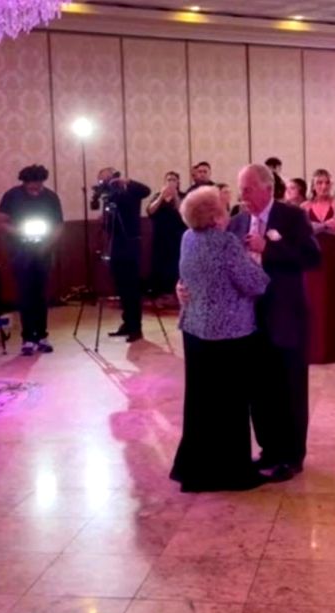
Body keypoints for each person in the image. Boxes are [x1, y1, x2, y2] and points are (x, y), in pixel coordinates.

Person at [183, 163, 320, 482]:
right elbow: (220, 265)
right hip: (245, 322)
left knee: (289, 387)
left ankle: (291, 456)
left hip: (285, 315)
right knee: (259, 389)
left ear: (267, 189)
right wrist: (186, 285)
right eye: (240, 189)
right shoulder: (238, 220)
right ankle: (269, 449)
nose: (241, 195)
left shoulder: (292, 216)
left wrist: (269, 248)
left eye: (247, 189)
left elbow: (313, 259)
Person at [170, 186, 270, 493]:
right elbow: (256, 284)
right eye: (225, 209)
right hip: (228, 334)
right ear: (214, 216)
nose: (229, 214)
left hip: (195, 329)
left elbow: (186, 278)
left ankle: (196, 468)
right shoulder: (225, 242)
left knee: (200, 402)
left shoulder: (188, 238)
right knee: (230, 405)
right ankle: (230, 471)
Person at [0, 164, 63, 355]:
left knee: (41, 295)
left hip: (43, 251)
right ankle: (28, 338)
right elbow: (0, 222)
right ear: (24, 183)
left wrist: (48, 243)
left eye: (39, 187)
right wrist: (20, 232)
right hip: (20, 252)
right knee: (25, 295)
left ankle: (42, 336)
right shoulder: (12, 196)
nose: (35, 191)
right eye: (31, 188)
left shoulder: (50, 197)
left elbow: (58, 225)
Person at [97, 167, 151, 341]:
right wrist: (103, 220)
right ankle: (127, 323)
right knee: (121, 287)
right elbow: (108, 227)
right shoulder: (109, 198)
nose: (106, 183)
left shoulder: (131, 193)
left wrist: (128, 182)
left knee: (132, 287)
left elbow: (146, 190)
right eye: (102, 180)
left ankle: (136, 327)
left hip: (131, 243)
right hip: (115, 245)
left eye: (108, 179)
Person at [301, 169, 335, 364]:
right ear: (313, 185)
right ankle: (313, 349)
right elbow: (303, 231)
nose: (323, 186)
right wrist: (323, 225)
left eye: (326, 182)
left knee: (331, 299)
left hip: (332, 256)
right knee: (312, 301)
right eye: (319, 183)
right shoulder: (304, 206)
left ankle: (333, 350)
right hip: (311, 257)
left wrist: (318, 226)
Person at [148, 171, 186, 306]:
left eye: (174, 179)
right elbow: (150, 211)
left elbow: (184, 212)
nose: (171, 182)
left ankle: (175, 296)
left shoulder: (182, 196)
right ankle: (161, 296)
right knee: (159, 266)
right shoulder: (158, 196)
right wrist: (161, 198)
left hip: (177, 238)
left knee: (176, 267)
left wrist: (175, 195)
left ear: (178, 182)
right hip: (160, 238)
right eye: (169, 179)